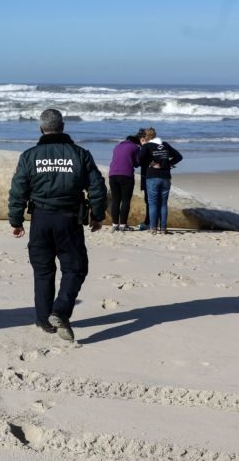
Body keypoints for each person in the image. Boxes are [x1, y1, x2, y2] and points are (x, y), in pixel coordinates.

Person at [8, 109, 108, 342]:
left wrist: (16, 220)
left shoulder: (29, 155)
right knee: (75, 268)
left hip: (41, 220)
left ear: (41, 128)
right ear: (63, 126)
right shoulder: (80, 154)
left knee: (43, 270)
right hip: (69, 219)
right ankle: (60, 311)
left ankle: (45, 320)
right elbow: (97, 187)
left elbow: (18, 189)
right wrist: (98, 215)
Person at [138, 127, 183, 234]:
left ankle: (153, 228)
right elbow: (179, 157)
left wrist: (144, 147)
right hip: (165, 177)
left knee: (153, 203)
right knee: (163, 204)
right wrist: (168, 164)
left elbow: (139, 160)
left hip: (152, 177)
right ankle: (163, 229)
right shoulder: (165, 144)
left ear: (146, 137)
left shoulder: (147, 146)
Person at [107, 132, 141, 232]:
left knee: (115, 200)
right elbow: (137, 163)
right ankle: (123, 225)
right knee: (125, 201)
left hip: (112, 175)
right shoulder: (135, 147)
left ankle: (114, 225)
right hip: (126, 175)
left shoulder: (117, 147)